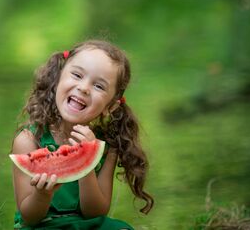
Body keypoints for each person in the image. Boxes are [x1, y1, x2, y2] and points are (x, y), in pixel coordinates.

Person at [11, 40, 154, 229]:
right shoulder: (28, 140)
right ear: (57, 79)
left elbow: (96, 212)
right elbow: (29, 217)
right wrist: (42, 195)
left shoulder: (106, 148)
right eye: (77, 75)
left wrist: (87, 162)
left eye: (99, 86)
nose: (84, 88)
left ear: (110, 107)